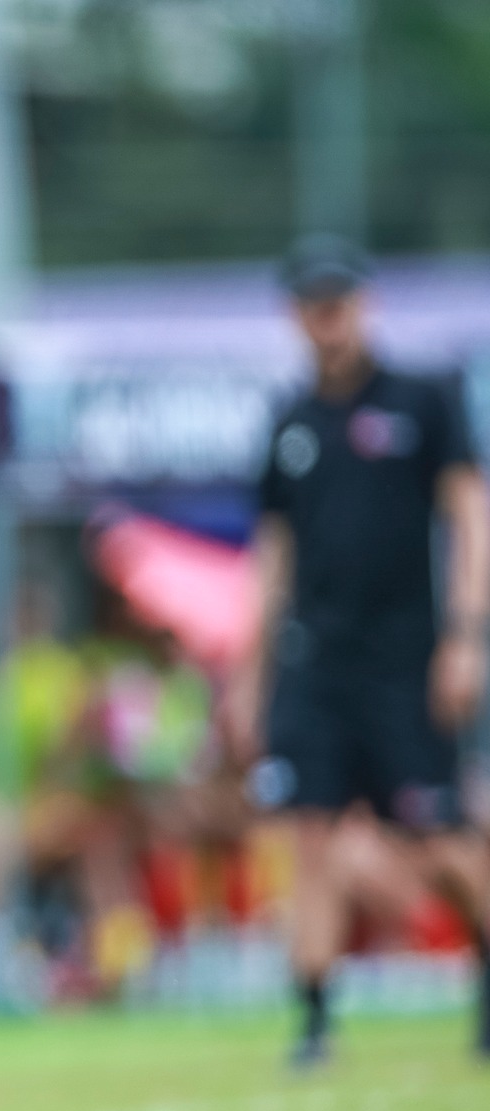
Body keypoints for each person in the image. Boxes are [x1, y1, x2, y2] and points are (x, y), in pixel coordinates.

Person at [227, 235, 490, 1066]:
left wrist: (465, 637)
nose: (326, 320)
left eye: (338, 302)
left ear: (365, 304)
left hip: (407, 659)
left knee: (437, 840)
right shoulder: (291, 422)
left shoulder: (424, 398)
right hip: (317, 660)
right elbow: (273, 557)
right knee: (308, 832)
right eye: (312, 305)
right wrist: (249, 674)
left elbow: (470, 518)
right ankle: (313, 1019)